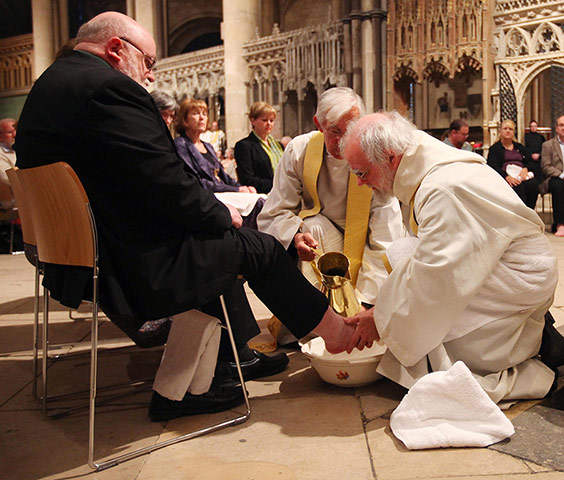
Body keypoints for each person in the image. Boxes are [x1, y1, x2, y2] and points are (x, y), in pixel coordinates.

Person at [14, 12, 357, 420]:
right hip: (125, 264)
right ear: (116, 48)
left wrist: (209, 217)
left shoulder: (50, 87)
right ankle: (335, 334)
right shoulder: (107, 89)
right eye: (149, 63)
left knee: (220, 245)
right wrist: (219, 213)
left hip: (73, 255)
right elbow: (162, 180)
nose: (151, 76)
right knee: (257, 247)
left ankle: (220, 366)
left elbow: (134, 178)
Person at [341, 111, 564, 404]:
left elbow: (438, 277)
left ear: (390, 156)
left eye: (362, 172)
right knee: (401, 254)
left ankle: (515, 361)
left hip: (521, 277)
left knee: (430, 323)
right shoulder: (423, 161)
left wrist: (382, 319)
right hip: (511, 263)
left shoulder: (443, 187)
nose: (360, 183)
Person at [258, 87, 406, 316]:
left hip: (367, 240)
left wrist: (365, 303)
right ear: (318, 124)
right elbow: (274, 213)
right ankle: (317, 320)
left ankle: (356, 310)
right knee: (313, 225)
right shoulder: (300, 150)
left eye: (351, 131)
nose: (344, 141)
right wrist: (296, 236)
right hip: (319, 240)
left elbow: (385, 233)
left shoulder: (373, 155)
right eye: (335, 131)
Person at [174, 98, 265, 229]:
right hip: (207, 196)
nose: (202, 118)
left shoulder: (208, 146)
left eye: (204, 114)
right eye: (195, 113)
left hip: (223, 192)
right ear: (184, 119)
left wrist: (243, 187)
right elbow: (197, 181)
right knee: (259, 204)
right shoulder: (181, 144)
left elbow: (224, 177)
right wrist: (236, 190)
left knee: (261, 197)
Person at [487, 119, 539, 209]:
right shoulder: (495, 149)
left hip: (521, 174)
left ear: (513, 132)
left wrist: (525, 168)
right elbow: (493, 165)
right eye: (505, 128)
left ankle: (530, 212)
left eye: (510, 129)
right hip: (506, 176)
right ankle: (520, 215)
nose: (508, 131)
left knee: (532, 184)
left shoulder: (519, 147)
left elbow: (530, 160)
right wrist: (506, 177)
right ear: (500, 131)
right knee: (516, 186)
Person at [234, 101, 283, 193]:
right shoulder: (244, 146)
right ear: (252, 120)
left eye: (271, 120)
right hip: (263, 194)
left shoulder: (278, 146)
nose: (269, 124)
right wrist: (277, 184)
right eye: (264, 120)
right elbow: (247, 179)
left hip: (284, 193)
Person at [541, 115, 564, 237]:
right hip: (555, 178)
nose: (563, 128)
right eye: (561, 125)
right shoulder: (548, 145)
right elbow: (546, 167)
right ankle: (560, 224)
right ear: (556, 128)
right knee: (558, 184)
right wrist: (561, 175)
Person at [0, 118, 17, 206]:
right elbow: (7, 177)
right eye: (10, 132)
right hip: (11, 203)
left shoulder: (21, 149)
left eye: (16, 131)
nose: (15, 134)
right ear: (0, 137)